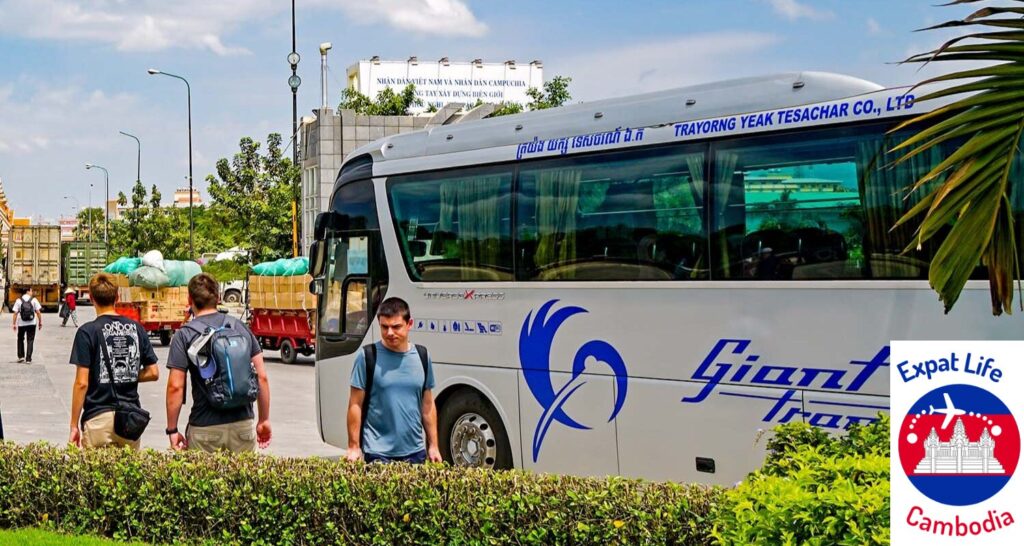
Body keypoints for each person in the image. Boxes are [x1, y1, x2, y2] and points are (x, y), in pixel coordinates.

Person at [165, 273, 271, 452]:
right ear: (219, 297)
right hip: (242, 426)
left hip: (205, 427)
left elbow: (175, 386)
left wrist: (172, 429)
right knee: (242, 480)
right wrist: (264, 420)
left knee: (204, 480)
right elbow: (262, 377)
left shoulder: (185, 335)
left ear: (190, 299)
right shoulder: (239, 327)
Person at [345, 297, 441, 464]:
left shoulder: (422, 356)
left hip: (415, 452)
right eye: (385, 327)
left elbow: (427, 405)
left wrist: (433, 445)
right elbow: (355, 404)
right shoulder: (367, 356)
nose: (390, 332)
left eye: (396, 327)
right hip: (377, 452)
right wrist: (354, 446)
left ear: (409, 324)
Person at [68, 273, 159, 449]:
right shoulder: (136, 328)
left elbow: (81, 383)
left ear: (91, 297)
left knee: (96, 474)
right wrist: (125, 374)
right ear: (117, 297)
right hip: (129, 420)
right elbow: (153, 372)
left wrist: (73, 424)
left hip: (98, 419)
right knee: (126, 474)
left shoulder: (87, 332)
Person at [11, 287, 42, 363]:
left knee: (20, 339)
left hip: (22, 324)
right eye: (31, 291)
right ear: (28, 291)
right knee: (30, 340)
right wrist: (40, 322)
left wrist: (14, 324)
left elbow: (15, 313)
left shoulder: (19, 300)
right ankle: (28, 358)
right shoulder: (34, 300)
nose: (32, 292)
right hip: (32, 323)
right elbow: (38, 312)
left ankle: (21, 356)